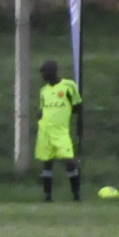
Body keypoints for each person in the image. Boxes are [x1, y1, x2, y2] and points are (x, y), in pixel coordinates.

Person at [35, 59, 84, 203]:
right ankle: (47, 196)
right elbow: (43, 108)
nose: (43, 75)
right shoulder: (43, 91)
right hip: (45, 131)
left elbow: (77, 106)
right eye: (42, 72)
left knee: (69, 161)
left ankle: (76, 194)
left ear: (53, 71)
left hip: (61, 131)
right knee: (47, 162)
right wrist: (40, 115)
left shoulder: (68, 86)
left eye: (45, 71)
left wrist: (77, 125)